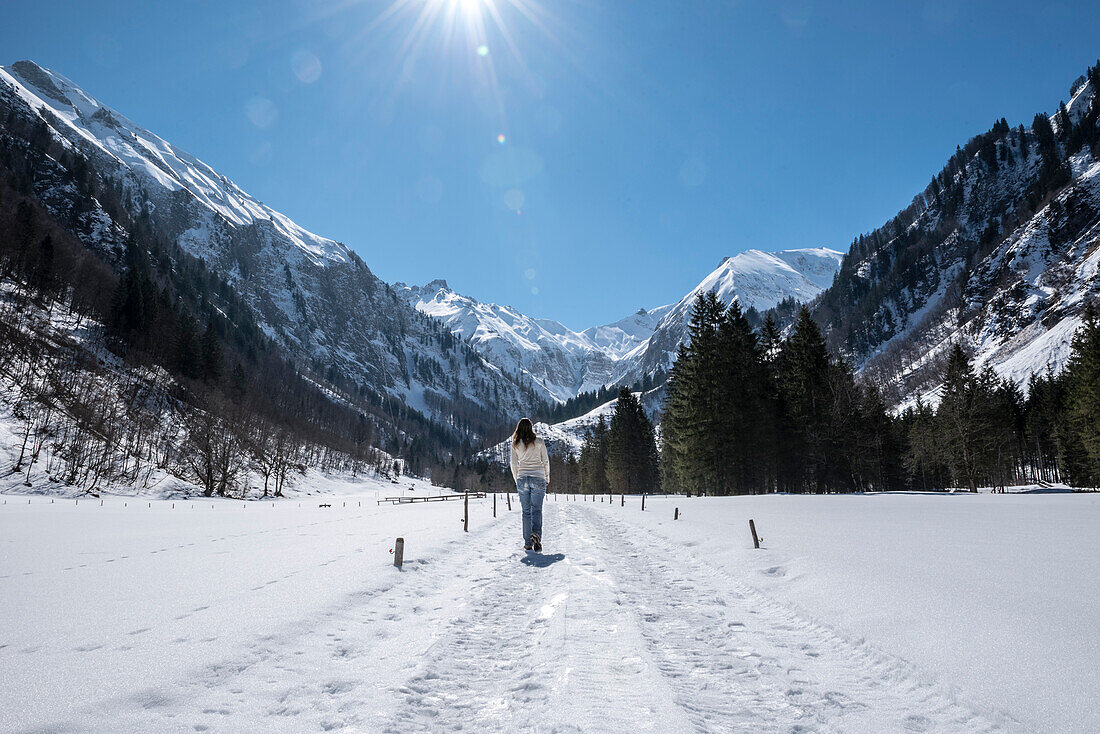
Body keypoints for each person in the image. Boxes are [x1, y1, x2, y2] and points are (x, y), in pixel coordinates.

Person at [509, 417, 549, 552]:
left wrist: (517, 479)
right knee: (536, 510)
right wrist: (547, 477)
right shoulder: (539, 442)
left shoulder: (515, 444)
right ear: (531, 428)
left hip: (522, 478)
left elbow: (513, 464)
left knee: (526, 512)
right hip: (538, 477)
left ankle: (527, 543)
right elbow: (546, 461)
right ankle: (536, 535)